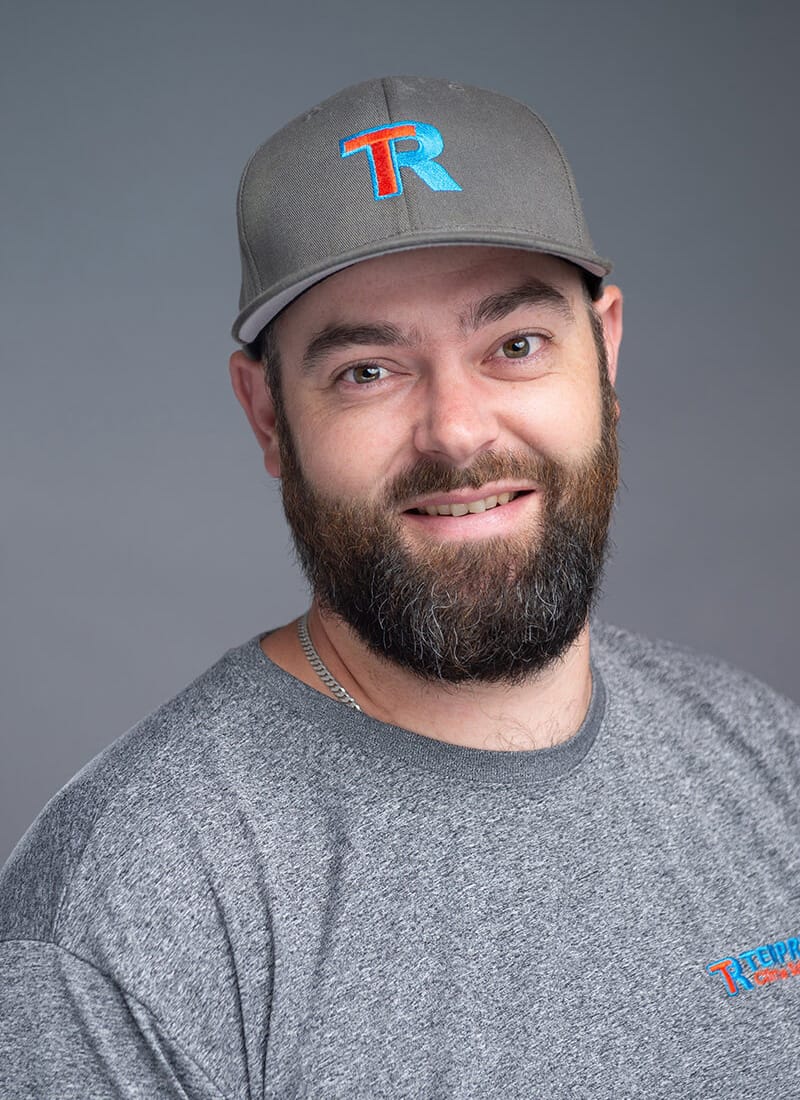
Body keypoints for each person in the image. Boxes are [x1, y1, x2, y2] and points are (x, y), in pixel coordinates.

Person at [0, 75, 797, 1098]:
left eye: (514, 346)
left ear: (601, 348)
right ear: (267, 417)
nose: (457, 431)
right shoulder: (123, 921)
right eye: (367, 370)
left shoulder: (765, 763)